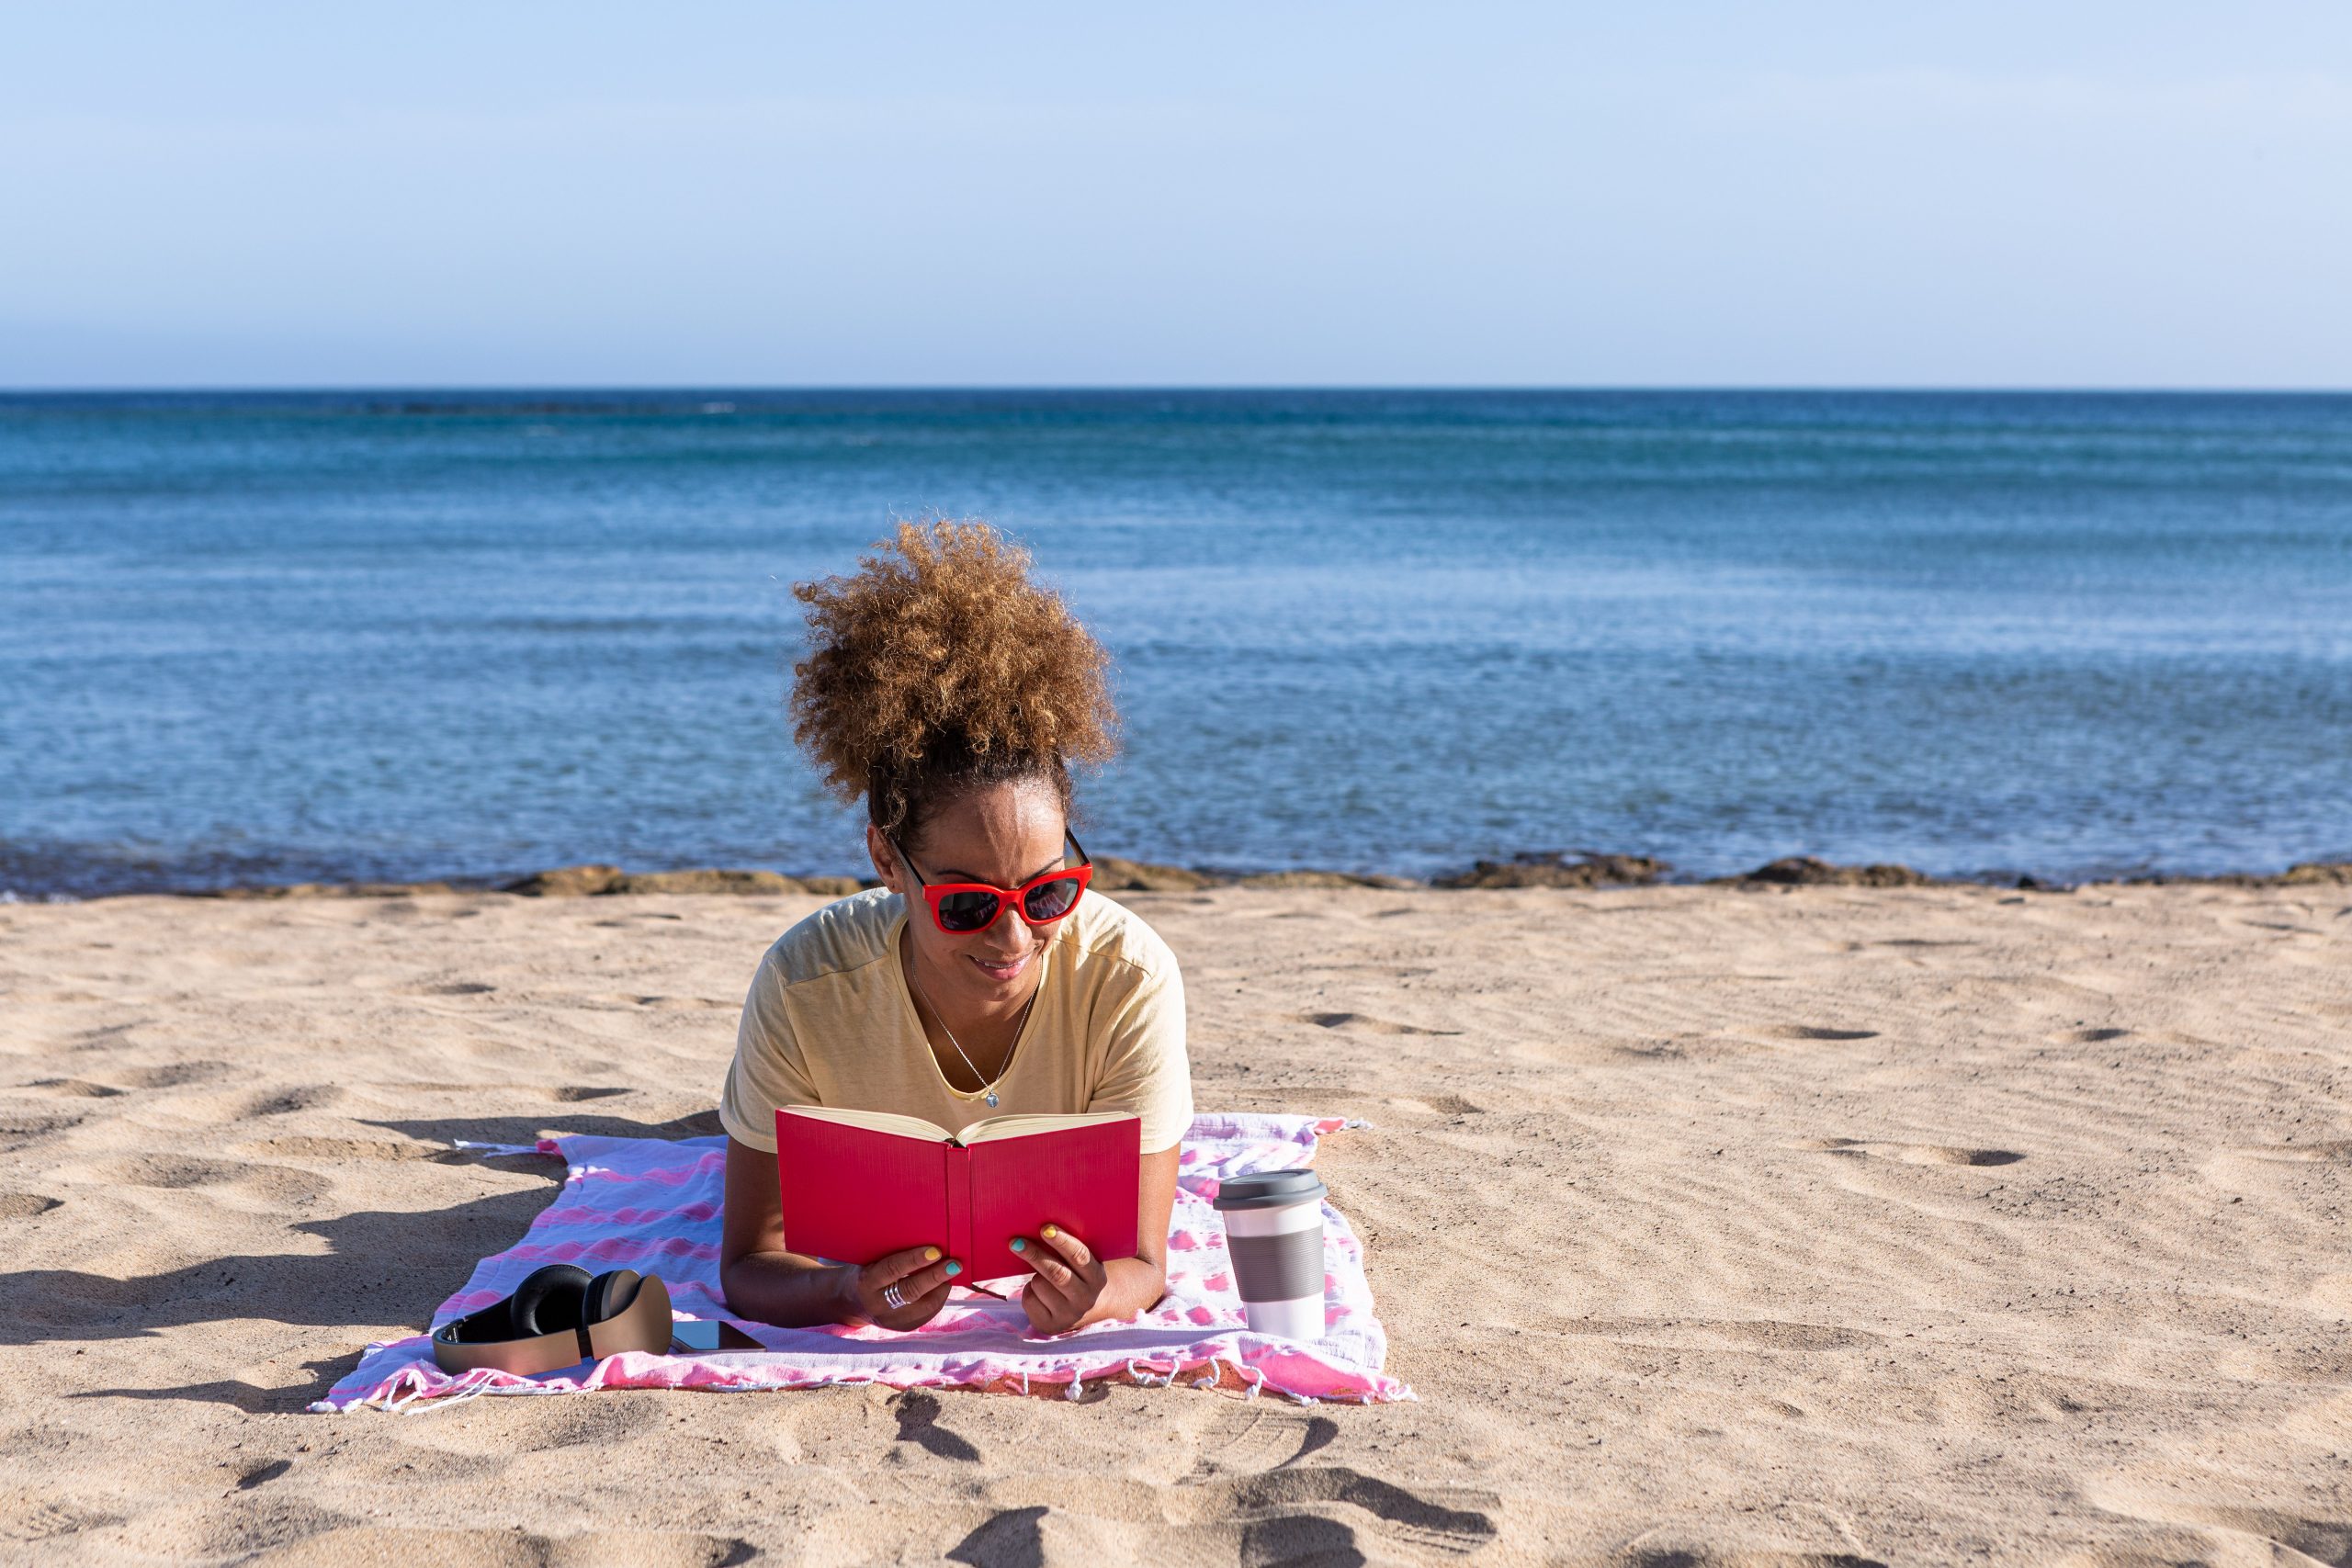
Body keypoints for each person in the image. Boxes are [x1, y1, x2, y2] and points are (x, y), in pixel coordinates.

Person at [718, 521, 1193, 1337]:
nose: (1013, 938)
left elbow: (1143, 1268)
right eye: (968, 904)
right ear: (886, 859)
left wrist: (1094, 1297)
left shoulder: (1127, 977)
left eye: (1047, 892)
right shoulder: (805, 986)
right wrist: (848, 1295)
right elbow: (749, 1265)